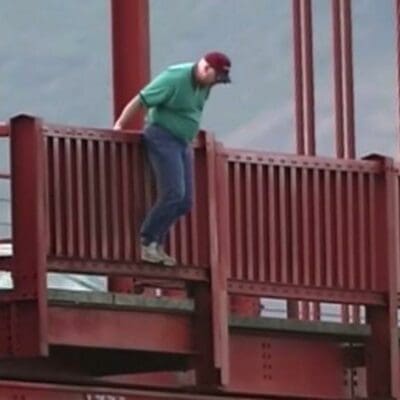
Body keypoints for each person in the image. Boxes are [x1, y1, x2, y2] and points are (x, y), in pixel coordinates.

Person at [113, 51, 231, 266]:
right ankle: (146, 240)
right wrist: (120, 125)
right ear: (206, 69)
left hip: (182, 141)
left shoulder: (204, 85)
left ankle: (156, 244)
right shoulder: (175, 78)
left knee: (185, 202)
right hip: (163, 136)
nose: (216, 84)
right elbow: (141, 100)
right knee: (173, 192)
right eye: (216, 78)